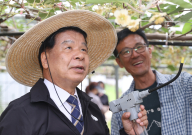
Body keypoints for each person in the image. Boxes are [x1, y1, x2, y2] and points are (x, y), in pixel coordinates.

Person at [0, 10, 148, 135]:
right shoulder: (20, 113)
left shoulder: (93, 109)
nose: (80, 55)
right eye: (68, 48)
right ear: (45, 59)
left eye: (84, 49)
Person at [111, 15, 192, 135]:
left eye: (139, 47)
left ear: (149, 51)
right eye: (126, 51)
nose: (134, 55)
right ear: (119, 62)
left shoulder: (181, 84)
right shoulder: (121, 108)